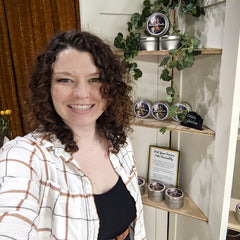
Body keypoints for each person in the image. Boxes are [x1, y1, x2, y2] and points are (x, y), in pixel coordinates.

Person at [0, 30, 146, 240]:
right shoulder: (26, 156)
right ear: (47, 86)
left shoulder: (119, 140)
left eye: (95, 79)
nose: (81, 94)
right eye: (65, 80)